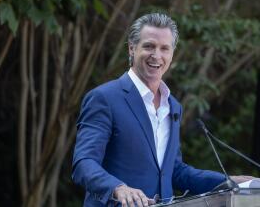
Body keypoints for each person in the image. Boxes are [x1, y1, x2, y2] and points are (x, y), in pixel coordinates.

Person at [72, 13, 250, 207]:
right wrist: (118, 188)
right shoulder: (104, 98)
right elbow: (84, 163)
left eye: (164, 48)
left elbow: (174, 171)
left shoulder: (173, 106)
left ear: (172, 54)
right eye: (149, 46)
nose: (156, 55)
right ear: (132, 48)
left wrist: (228, 181)